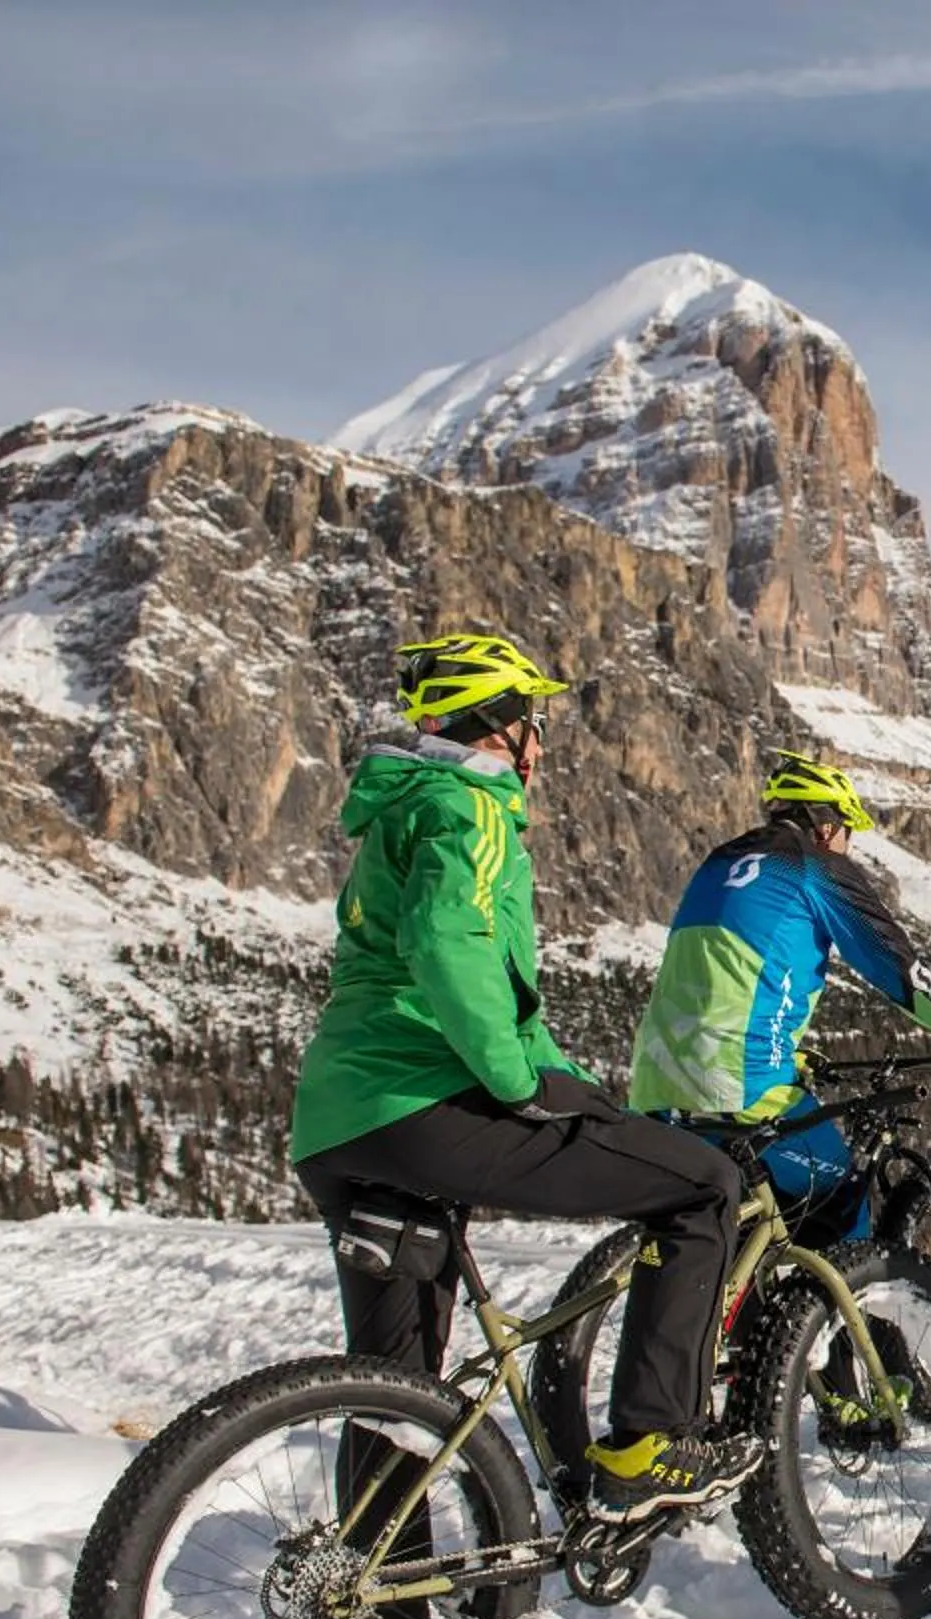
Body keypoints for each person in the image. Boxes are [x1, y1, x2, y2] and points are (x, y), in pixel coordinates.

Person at [291, 633, 762, 1567]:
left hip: (337, 1127)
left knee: (395, 1388)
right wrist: (516, 1082)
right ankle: (646, 1446)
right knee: (704, 1188)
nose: (540, 740)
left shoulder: (402, 804)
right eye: (532, 720)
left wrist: (554, 1076)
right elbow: (447, 942)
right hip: (431, 1105)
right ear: (501, 725)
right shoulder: (470, 805)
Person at [626, 751, 931, 1236]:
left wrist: (788, 1052)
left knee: (737, 1224)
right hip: (738, 1085)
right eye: (849, 832)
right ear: (827, 826)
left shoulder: (719, 861)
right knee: (842, 1196)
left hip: (654, 1085)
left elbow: (724, 977)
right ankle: (844, 1309)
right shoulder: (814, 866)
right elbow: (895, 964)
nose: (848, 846)